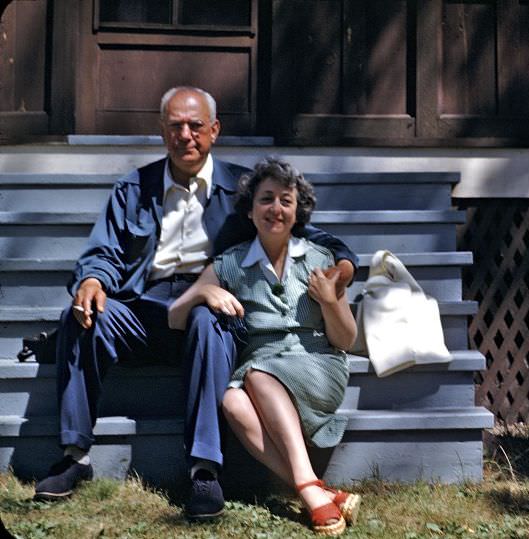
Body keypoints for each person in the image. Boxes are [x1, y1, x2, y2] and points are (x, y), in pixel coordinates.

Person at [33, 87, 358, 522]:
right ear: (162, 131)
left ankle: (204, 470)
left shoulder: (243, 188)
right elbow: (104, 252)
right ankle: (75, 455)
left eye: (196, 126)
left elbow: (300, 230)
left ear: (214, 130)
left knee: (211, 318)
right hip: (141, 306)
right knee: (87, 313)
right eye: (175, 126)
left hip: (210, 302)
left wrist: (344, 265)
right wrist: (92, 280)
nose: (185, 135)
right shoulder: (134, 187)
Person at [168, 158, 360, 536]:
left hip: (318, 364)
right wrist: (205, 291)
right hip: (260, 372)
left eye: (286, 201)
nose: (276, 209)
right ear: (251, 210)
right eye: (266, 199)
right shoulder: (231, 263)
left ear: (297, 211)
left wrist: (331, 301)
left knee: (255, 376)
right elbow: (175, 315)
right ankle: (316, 488)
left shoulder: (321, 260)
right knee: (231, 400)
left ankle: (304, 489)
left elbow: (347, 339)